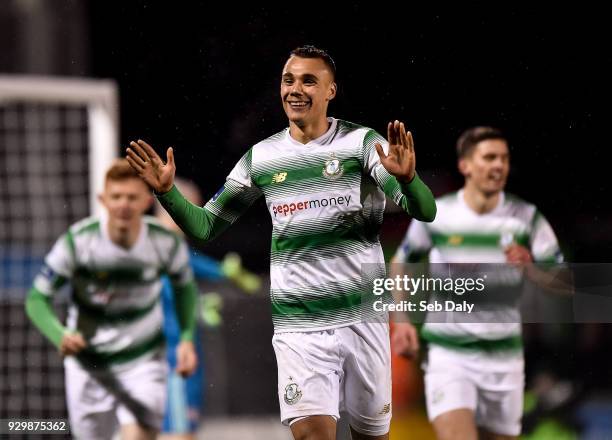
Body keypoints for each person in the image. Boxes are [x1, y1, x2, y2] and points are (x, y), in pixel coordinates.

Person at [126, 45, 436, 440]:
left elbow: (423, 210)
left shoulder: (361, 145)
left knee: (370, 434)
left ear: (331, 91)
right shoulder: (263, 158)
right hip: (298, 324)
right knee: (311, 434)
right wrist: (169, 193)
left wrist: (409, 180)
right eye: (289, 80)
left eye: (309, 80)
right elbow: (205, 227)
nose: (296, 89)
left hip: (362, 319)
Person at [391, 126, 564, 440]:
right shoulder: (439, 214)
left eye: (504, 158)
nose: (498, 165)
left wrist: (533, 269)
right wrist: (402, 320)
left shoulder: (526, 218)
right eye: (489, 157)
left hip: (504, 360)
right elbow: (402, 260)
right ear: (465, 165)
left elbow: (565, 280)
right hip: (449, 356)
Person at [25, 159, 199, 440]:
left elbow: (185, 289)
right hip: (88, 367)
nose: (123, 204)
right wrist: (59, 335)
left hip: (143, 362)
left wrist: (187, 338)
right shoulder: (78, 241)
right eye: (116, 196)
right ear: (102, 200)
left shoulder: (165, 243)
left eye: (132, 197)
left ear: (146, 201)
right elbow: (36, 298)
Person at [156, 177, 261, 440]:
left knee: (186, 429)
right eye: (188, 209)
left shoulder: (177, 249)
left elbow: (208, 270)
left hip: (186, 353)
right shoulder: (154, 247)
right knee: (176, 432)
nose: (193, 218)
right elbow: (162, 294)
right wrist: (201, 306)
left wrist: (230, 275)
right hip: (168, 357)